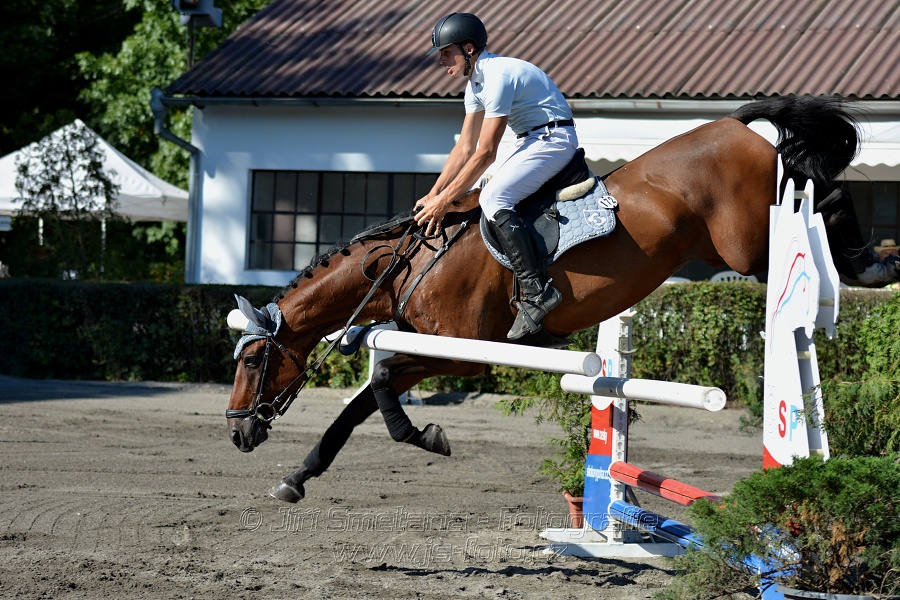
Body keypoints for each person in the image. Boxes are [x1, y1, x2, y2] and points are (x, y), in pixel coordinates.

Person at [414, 12, 578, 340]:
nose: (442, 61)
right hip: (529, 138)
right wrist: (434, 194)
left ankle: (537, 291)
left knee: (493, 197)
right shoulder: (475, 83)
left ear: (469, 48)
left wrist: (445, 202)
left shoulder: (497, 75)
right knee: (477, 189)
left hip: (554, 139)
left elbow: (486, 152)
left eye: (447, 53)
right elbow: (463, 149)